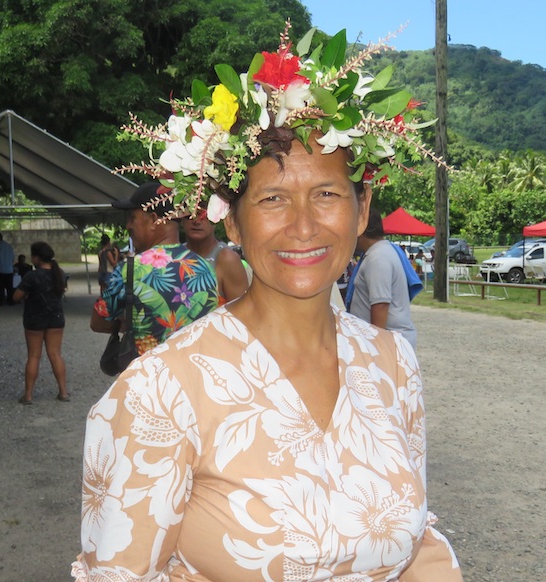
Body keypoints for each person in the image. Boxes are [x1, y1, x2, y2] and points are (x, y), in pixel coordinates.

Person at [74, 26, 463, 581]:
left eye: (326, 194)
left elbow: (416, 542)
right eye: (272, 198)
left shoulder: (392, 364)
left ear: (361, 209)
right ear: (232, 222)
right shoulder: (161, 391)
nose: (303, 226)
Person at [89, 182, 220, 355]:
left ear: (153, 220)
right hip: (194, 368)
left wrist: (132, 324)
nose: (128, 226)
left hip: (147, 370)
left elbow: (98, 322)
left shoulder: (130, 269)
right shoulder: (205, 268)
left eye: (132, 218)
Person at [347, 207, 418, 347]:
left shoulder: (378, 258)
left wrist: (376, 346)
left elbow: (381, 304)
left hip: (388, 342)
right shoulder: (380, 252)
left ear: (360, 228)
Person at [12, 242, 69, 404]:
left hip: (34, 319)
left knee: (34, 356)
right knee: (55, 355)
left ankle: (28, 395)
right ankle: (63, 392)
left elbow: (16, 297)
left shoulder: (32, 276)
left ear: (36, 257)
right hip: (56, 318)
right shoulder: (59, 273)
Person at [181, 206, 249, 303]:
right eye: (190, 215)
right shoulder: (173, 256)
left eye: (204, 216)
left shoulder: (227, 259)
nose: (196, 221)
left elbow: (241, 307)